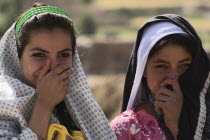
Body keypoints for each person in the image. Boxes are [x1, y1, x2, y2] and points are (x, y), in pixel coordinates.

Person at [0, 3, 117, 140]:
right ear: (17, 57)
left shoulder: (81, 109)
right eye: (39, 55)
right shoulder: (4, 106)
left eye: (63, 55)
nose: (53, 67)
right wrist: (43, 105)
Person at [111, 14, 210, 140]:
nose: (173, 77)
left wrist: (175, 126)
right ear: (143, 70)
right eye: (162, 66)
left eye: (184, 65)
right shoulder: (126, 129)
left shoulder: (206, 117)